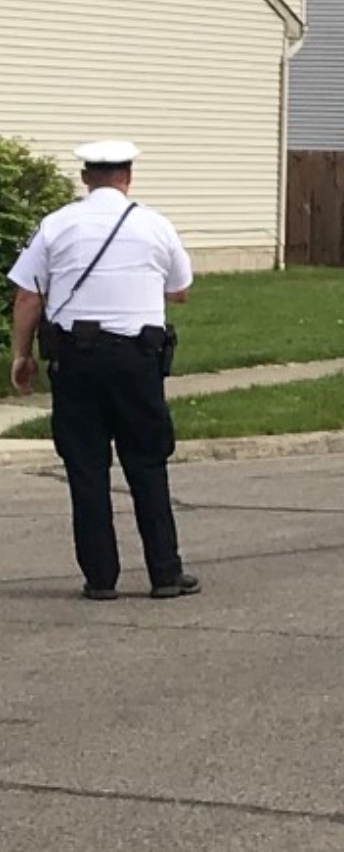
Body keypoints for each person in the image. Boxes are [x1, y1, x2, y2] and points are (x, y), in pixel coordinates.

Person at [7, 140, 198, 601]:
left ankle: (100, 577)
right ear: (128, 177)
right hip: (139, 361)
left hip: (77, 360)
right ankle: (165, 573)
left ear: (86, 178)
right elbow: (180, 290)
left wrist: (22, 353)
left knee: (86, 466)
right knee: (148, 464)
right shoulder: (155, 225)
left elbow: (28, 296)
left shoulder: (56, 225)